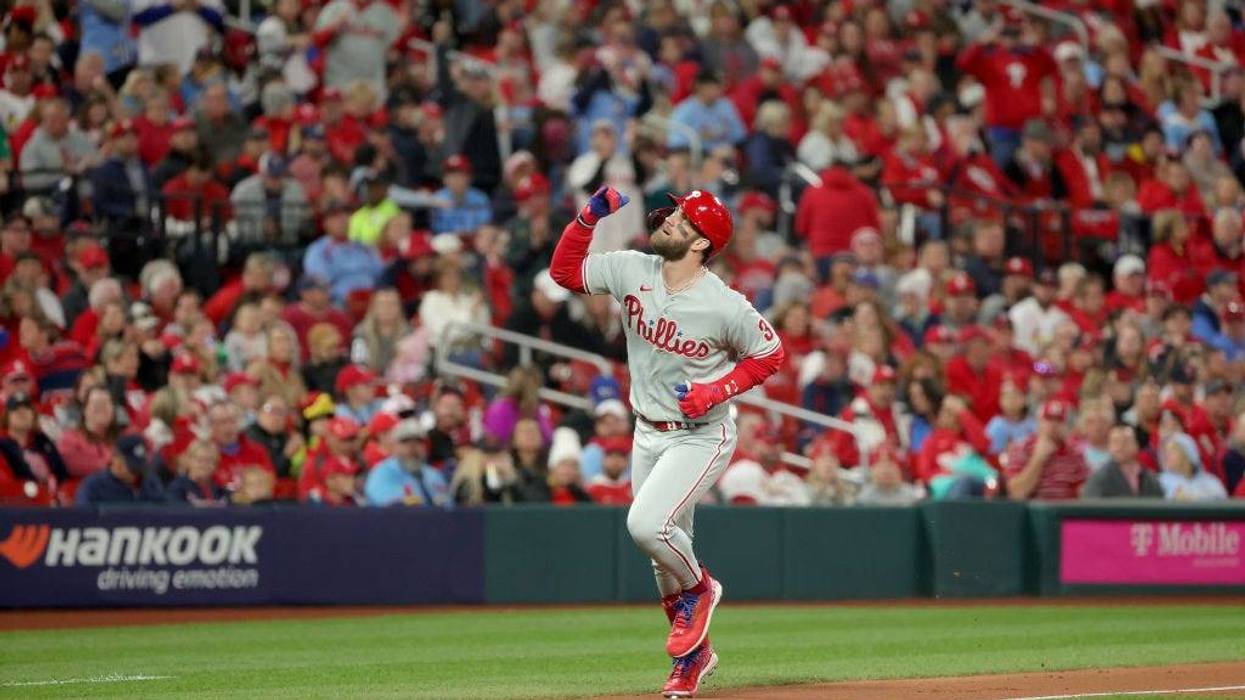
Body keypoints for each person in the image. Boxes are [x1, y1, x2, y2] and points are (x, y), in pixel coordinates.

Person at [551, 186, 785, 696]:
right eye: (676, 211)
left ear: (701, 243)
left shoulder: (724, 304)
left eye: (684, 218)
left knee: (646, 525)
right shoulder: (632, 268)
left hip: (701, 434)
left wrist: (716, 390)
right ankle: (693, 659)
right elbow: (565, 273)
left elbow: (770, 354)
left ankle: (702, 588)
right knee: (662, 554)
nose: (671, 219)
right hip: (647, 429)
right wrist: (587, 218)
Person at [1004, 400, 1089, 501]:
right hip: (1030, 509)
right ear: (1039, 423)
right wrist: (1038, 458)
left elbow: (1084, 493)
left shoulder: (1075, 453)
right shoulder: (1022, 449)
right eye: (1049, 420)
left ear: (1066, 426)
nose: (1053, 425)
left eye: (1058, 420)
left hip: (1065, 508)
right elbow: (1017, 493)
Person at [364, 420, 450, 507]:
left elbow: (448, 506)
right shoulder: (382, 473)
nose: (413, 447)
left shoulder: (434, 474)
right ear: (393, 446)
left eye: (419, 441)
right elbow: (392, 508)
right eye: (405, 441)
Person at [74, 434, 165, 505]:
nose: (136, 473)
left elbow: (163, 511)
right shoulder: (94, 486)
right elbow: (84, 516)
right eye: (132, 467)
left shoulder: (151, 483)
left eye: (139, 466)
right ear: (115, 460)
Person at [1081, 425, 1164, 498]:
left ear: (1136, 445)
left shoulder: (1149, 477)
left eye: (1126, 441)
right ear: (1109, 446)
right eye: (1116, 442)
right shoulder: (1099, 479)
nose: (1121, 446)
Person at [1158, 431, 1228, 501]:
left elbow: (1223, 502)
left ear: (1188, 452)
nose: (1166, 455)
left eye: (1172, 450)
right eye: (1165, 451)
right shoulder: (1160, 482)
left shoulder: (1211, 482)